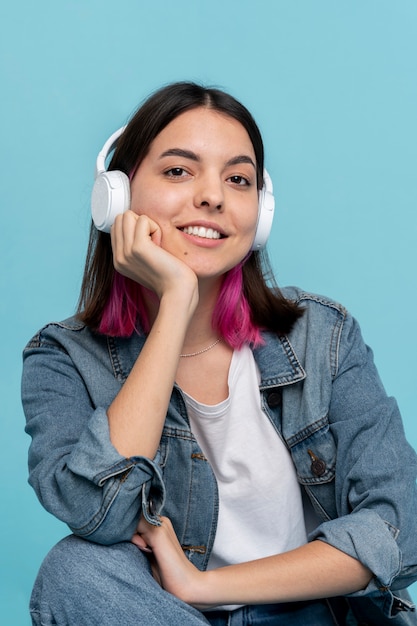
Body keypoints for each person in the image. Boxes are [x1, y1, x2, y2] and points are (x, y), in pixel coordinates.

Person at [22, 81, 417, 626]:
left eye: (238, 179)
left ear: (261, 211)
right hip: (167, 616)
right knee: (74, 571)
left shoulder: (324, 335)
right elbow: (102, 513)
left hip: (322, 615)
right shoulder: (61, 359)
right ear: (115, 195)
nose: (213, 196)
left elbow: (400, 526)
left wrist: (204, 585)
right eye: (179, 171)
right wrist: (176, 302)